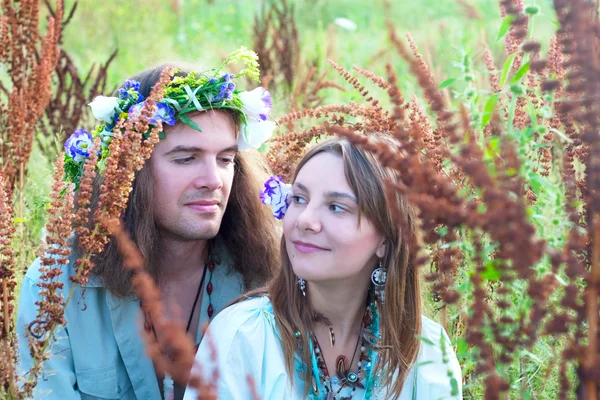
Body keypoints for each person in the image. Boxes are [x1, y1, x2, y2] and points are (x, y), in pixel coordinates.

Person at [16, 49, 280, 399]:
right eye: (186, 158)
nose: (213, 180)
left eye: (225, 159)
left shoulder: (267, 274)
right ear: (130, 169)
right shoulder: (57, 287)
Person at [185, 135, 462, 399]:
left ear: (385, 241)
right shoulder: (243, 335)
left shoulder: (426, 351)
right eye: (300, 199)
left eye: (336, 207)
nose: (305, 219)